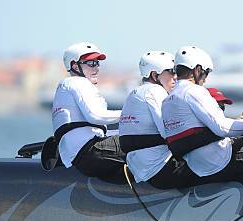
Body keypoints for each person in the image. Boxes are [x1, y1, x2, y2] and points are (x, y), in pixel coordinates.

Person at [161, 46, 243, 185]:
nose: (205, 79)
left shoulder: (167, 100)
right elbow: (222, 128)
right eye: (206, 72)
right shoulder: (194, 91)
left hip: (196, 167)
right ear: (197, 70)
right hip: (218, 162)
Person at [118, 51, 201, 189]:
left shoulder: (135, 93)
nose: (176, 77)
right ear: (154, 75)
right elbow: (168, 130)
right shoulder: (155, 91)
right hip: (162, 169)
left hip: (142, 168)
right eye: (171, 72)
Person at [52, 42, 123, 178]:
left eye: (97, 63)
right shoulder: (78, 82)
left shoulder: (66, 86)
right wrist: (131, 115)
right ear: (74, 66)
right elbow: (96, 116)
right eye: (91, 63)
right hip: (90, 151)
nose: (96, 67)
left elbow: (91, 126)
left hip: (80, 156)